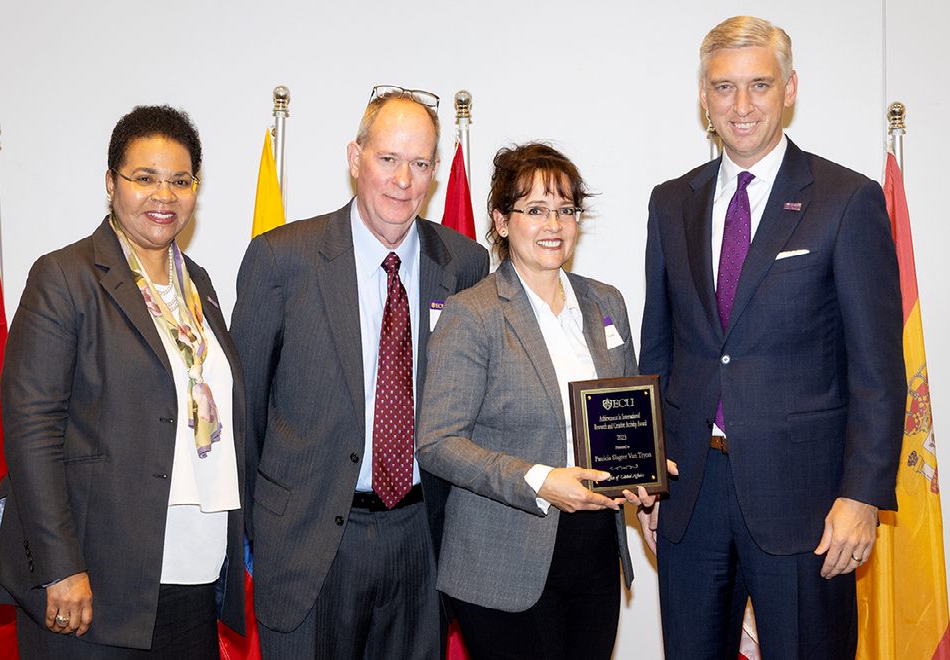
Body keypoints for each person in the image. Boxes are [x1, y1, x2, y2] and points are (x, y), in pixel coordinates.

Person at [638, 16, 906, 660]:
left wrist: (862, 495)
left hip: (807, 503)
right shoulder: (670, 203)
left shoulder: (846, 200)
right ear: (703, 98)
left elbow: (877, 369)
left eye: (759, 84)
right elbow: (659, 351)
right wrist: (645, 474)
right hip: (691, 497)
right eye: (723, 87)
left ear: (790, 88)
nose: (741, 105)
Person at [231, 86, 489, 659]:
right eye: (388, 159)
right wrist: (256, 535)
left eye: (420, 164)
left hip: (420, 543)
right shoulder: (282, 259)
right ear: (355, 158)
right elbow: (241, 409)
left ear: (435, 172)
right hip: (307, 543)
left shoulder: (465, 264)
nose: (403, 179)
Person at [0, 105, 246, 658]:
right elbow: (32, 432)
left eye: (179, 180)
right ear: (110, 183)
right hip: (96, 583)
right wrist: (60, 568)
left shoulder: (198, 285)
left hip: (194, 575)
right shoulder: (66, 277)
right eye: (144, 178)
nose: (163, 195)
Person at [417, 142, 659, 660]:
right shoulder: (473, 313)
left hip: (595, 547)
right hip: (503, 558)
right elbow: (438, 443)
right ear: (502, 222)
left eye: (566, 210)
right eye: (535, 210)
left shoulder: (605, 303)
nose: (554, 224)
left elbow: (624, 414)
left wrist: (643, 466)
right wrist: (540, 480)